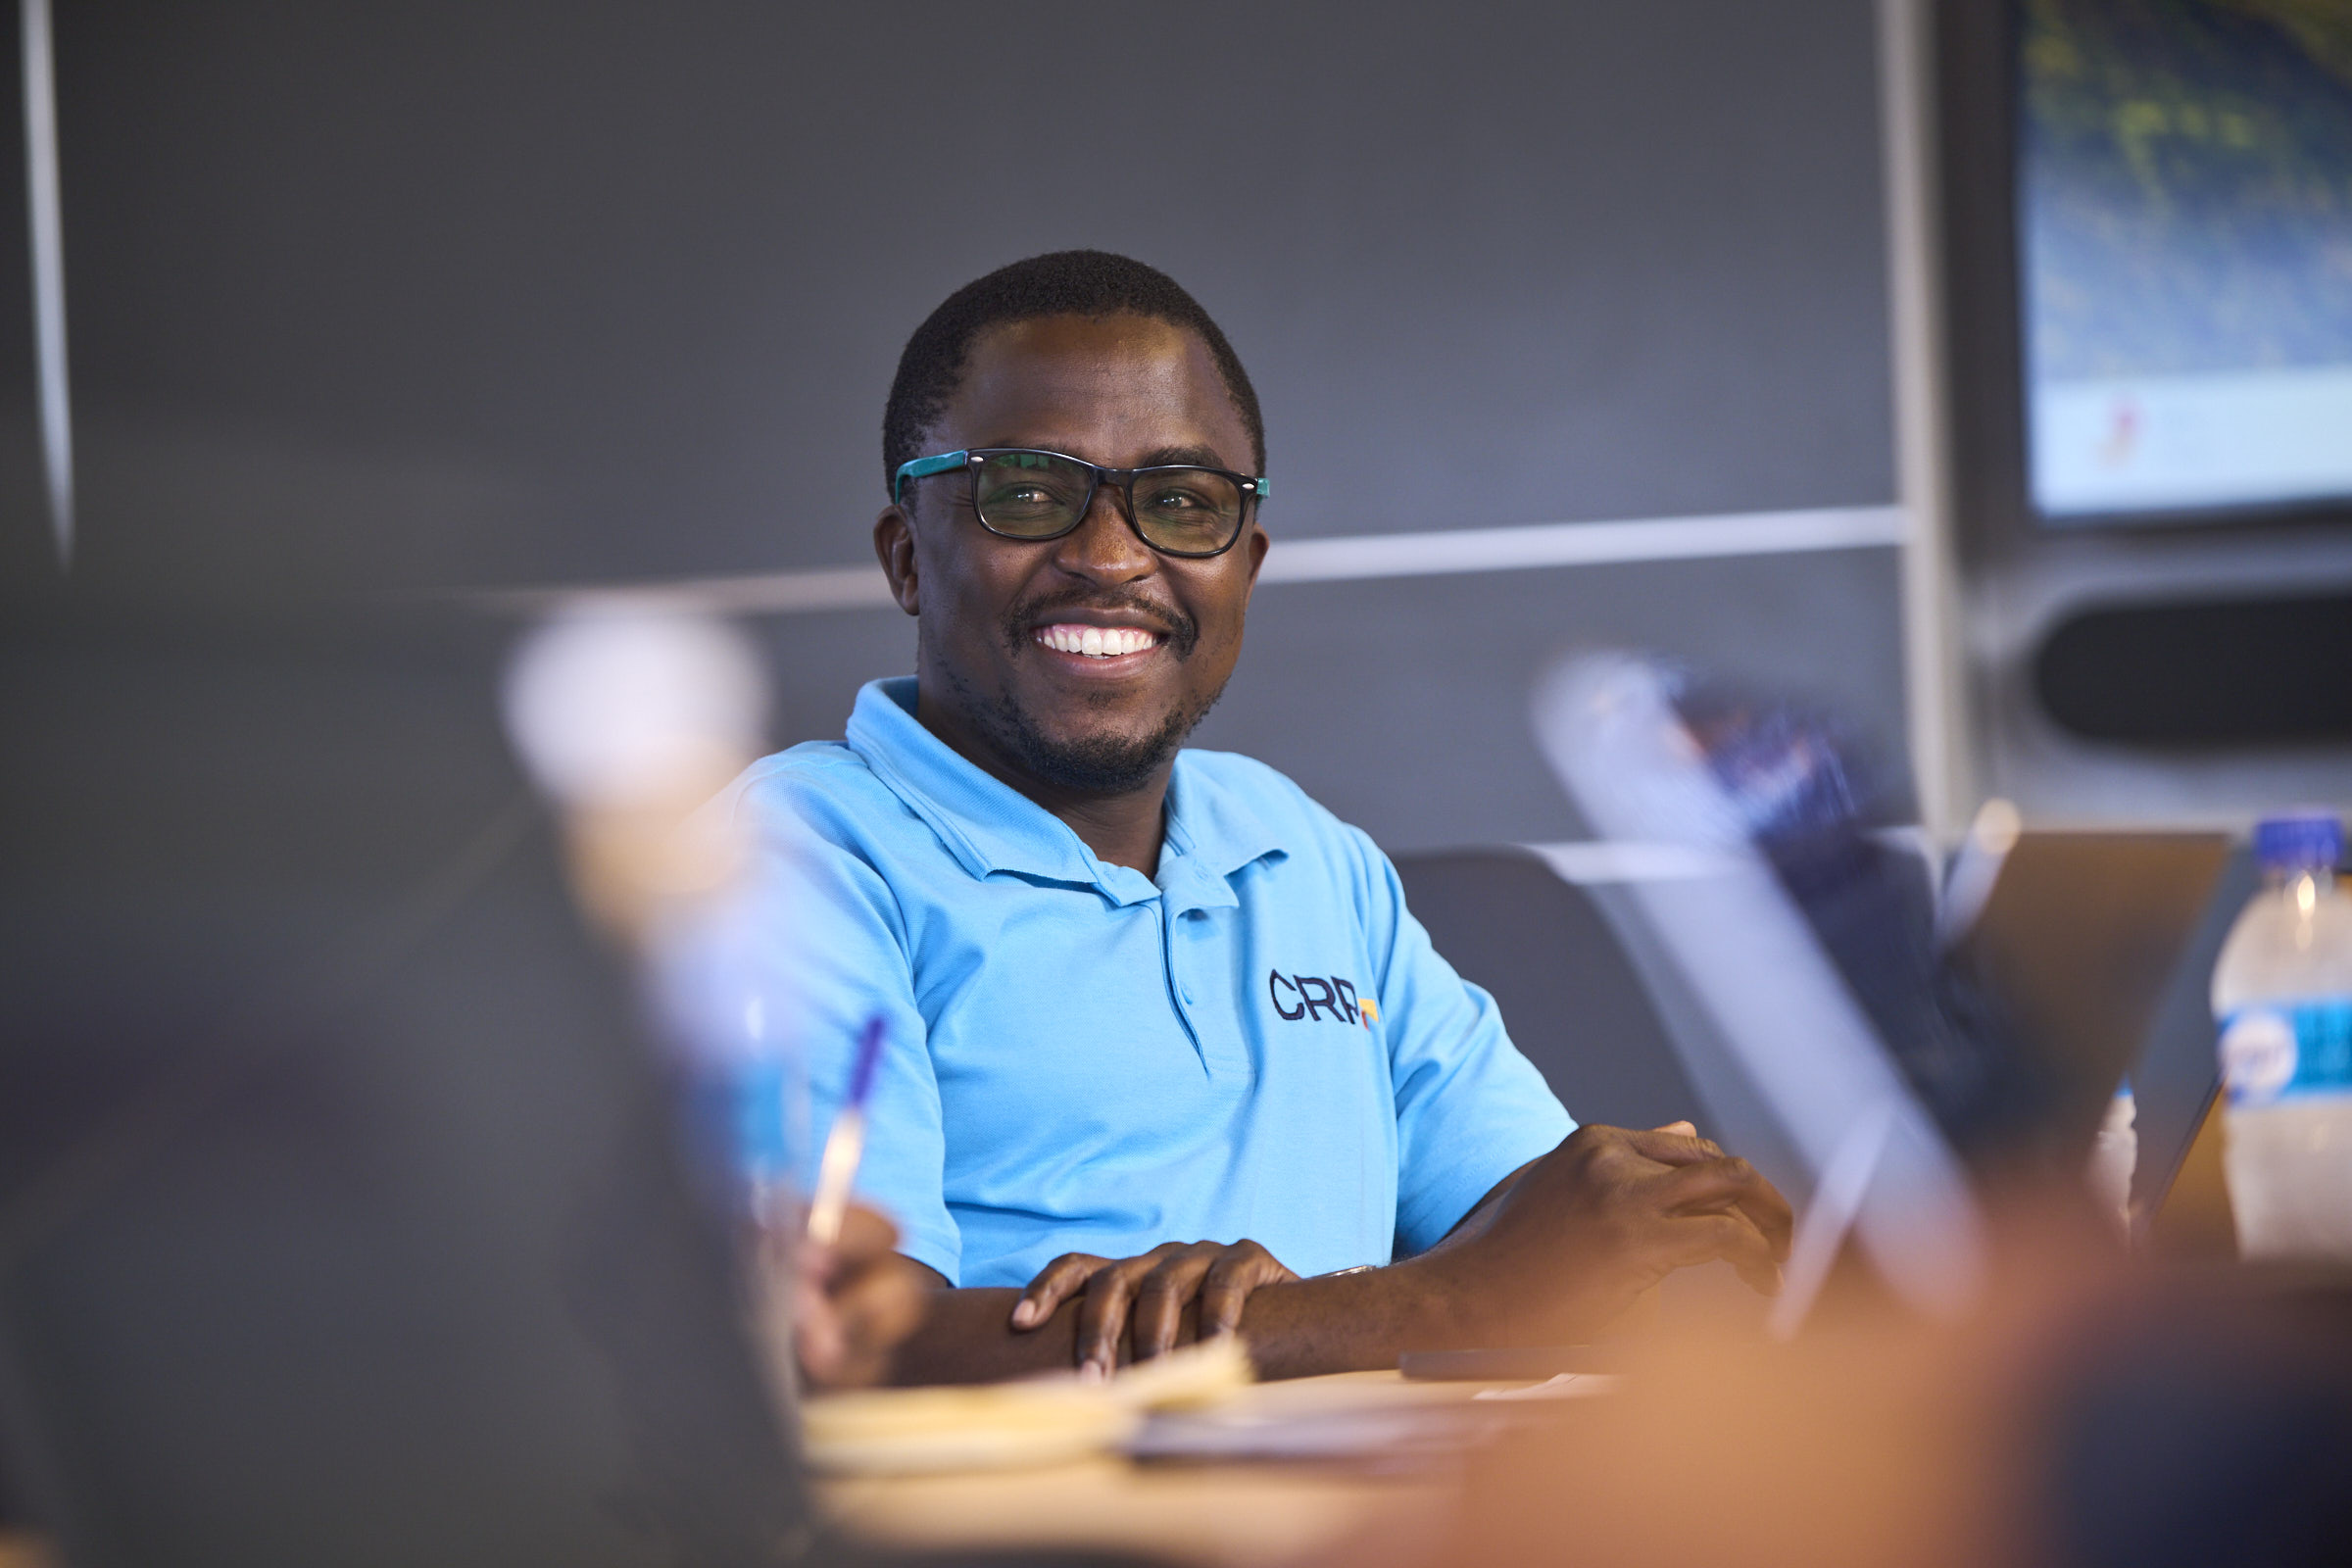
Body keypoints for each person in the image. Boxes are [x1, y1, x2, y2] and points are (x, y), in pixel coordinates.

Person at [725, 251, 1790, 1384]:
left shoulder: (1300, 850)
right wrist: (1426, 1302)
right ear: (906, 557)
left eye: (1182, 503)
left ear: (1246, 563)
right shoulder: (798, 857)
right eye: (1027, 493)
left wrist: (1637, 1219)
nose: (1111, 558)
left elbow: (1526, 1231)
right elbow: (840, 1347)